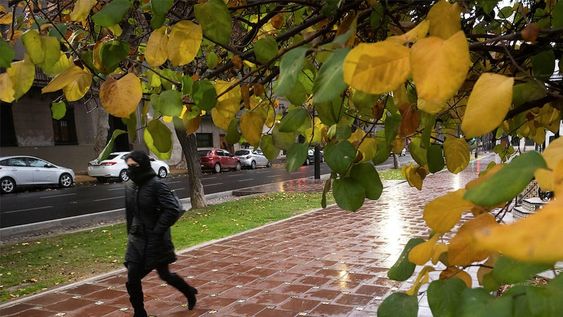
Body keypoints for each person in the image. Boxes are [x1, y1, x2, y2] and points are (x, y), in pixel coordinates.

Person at [123, 151, 197, 317]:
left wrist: (156, 232)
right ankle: (140, 313)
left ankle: (189, 291)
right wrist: (130, 234)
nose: (130, 170)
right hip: (137, 240)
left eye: (133, 166)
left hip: (156, 240)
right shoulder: (130, 186)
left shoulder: (157, 185)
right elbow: (130, 214)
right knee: (132, 279)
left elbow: (171, 209)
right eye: (128, 166)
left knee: (165, 275)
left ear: (143, 165)